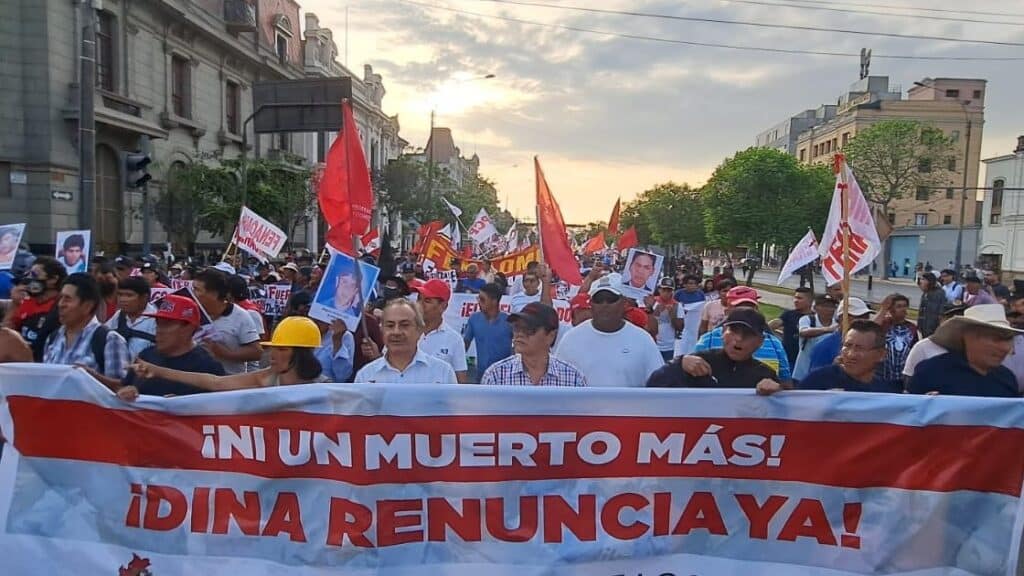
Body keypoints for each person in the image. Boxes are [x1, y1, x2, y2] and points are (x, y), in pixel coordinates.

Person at [123, 316, 326, 397]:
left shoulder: (325, 389)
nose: (272, 355)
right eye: (273, 348)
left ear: (301, 354)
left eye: (282, 350)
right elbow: (215, 383)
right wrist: (159, 372)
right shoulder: (266, 377)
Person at [101, 295, 225, 397]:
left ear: (188, 328)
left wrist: (184, 407)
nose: (159, 330)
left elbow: (218, 409)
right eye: (158, 324)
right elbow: (125, 386)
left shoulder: (208, 366)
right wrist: (128, 391)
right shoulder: (146, 355)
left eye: (167, 324)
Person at [555, 273, 664, 388]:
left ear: (624, 303)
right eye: (598, 300)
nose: (604, 304)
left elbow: (659, 385)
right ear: (591, 304)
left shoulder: (643, 340)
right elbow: (557, 384)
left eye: (611, 299)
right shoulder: (571, 339)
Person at [648, 308, 784, 395]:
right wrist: (678, 364)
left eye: (747, 334)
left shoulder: (764, 374)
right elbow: (652, 386)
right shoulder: (698, 362)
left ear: (760, 341)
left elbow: (786, 416)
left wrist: (777, 393)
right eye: (734, 331)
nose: (738, 339)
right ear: (723, 332)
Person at [908, 304, 1022, 397]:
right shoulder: (931, 371)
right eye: (997, 339)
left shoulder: (1007, 378)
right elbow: (907, 417)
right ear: (968, 337)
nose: (1006, 348)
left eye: (1008, 339)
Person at [695, 286, 792, 381]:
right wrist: (681, 361)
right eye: (739, 307)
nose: (746, 311)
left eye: (750, 307)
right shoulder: (707, 340)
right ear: (727, 311)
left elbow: (785, 383)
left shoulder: (774, 343)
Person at [43, 273, 129, 380]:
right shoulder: (53, 338)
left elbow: (122, 389)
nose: (61, 304)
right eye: (60, 298)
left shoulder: (109, 340)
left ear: (88, 306)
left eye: (68, 299)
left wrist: (91, 377)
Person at [481, 302, 586, 387]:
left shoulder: (574, 379)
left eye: (529, 329)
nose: (520, 334)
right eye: (516, 327)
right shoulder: (495, 376)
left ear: (551, 335)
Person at [355, 299, 458, 384]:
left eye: (404, 325)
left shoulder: (443, 373)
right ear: (382, 330)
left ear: (419, 330)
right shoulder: (365, 376)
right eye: (390, 325)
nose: (396, 332)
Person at [192, 269, 262, 374]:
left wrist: (226, 354)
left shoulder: (240, 316)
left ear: (214, 294)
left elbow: (256, 352)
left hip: (228, 383)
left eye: (197, 290)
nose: (193, 293)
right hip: (194, 380)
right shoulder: (190, 312)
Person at [799, 321, 898, 393]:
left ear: (881, 355)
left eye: (860, 348)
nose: (851, 354)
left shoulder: (885, 394)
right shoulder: (817, 381)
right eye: (847, 346)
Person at [4, 256, 66, 360]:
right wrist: (15, 304)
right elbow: (7, 334)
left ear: (53, 279)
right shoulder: (28, 301)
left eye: (34, 275)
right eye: (28, 274)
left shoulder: (61, 305)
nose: (29, 279)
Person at [414, 278, 469, 383]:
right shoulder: (405, 332)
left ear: (443, 306)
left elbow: (461, 382)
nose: (420, 305)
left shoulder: (455, 340)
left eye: (427, 301)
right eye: (419, 299)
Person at [902, 303, 966, 383]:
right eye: (951, 318)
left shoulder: (975, 347)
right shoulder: (922, 347)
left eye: (962, 318)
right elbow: (908, 380)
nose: (957, 323)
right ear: (941, 320)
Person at [807, 297, 874, 372]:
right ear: (841, 318)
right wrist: (833, 369)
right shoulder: (823, 347)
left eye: (866, 317)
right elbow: (814, 380)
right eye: (859, 317)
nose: (864, 321)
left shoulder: (870, 344)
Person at [463, 282, 513, 381]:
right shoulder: (474, 319)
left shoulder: (509, 321)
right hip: (480, 377)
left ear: (494, 301)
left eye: (482, 299)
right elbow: (465, 344)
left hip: (504, 377)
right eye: (478, 298)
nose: (478, 302)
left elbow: (518, 348)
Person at [105, 277, 156, 360]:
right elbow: (103, 333)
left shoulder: (155, 320)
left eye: (129, 295)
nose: (122, 299)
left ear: (144, 298)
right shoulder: (119, 315)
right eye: (120, 294)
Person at [874, 294, 919, 388]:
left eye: (905, 306)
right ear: (891, 309)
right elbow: (871, 328)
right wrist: (883, 309)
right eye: (898, 306)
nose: (903, 309)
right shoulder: (884, 324)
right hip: (883, 375)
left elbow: (915, 350)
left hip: (903, 376)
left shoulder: (912, 328)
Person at [791, 295, 838, 382]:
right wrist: (828, 329)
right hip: (803, 372)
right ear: (815, 308)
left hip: (825, 374)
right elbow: (803, 332)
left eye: (832, 306)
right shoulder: (807, 320)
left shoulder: (837, 324)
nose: (829, 309)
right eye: (825, 306)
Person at [769, 287, 813, 368]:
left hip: (807, 360)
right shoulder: (789, 314)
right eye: (795, 297)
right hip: (788, 359)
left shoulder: (814, 317)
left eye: (800, 298)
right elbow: (772, 325)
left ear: (809, 301)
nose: (796, 300)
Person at [672, 274, 705, 359]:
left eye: (694, 284)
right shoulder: (678, 294)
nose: (692, 286)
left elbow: (702, 307)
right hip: (682, 322)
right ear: (685, 284)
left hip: (694, 324)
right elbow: (674, 306)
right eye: (690, 283)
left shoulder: (700, 294)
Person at [649, 278, 679, 361]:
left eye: (669, 290)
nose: (666, 293)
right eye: (664, 290)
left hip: (668, 346)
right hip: (652, 343)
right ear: (659, 290)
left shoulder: (676, 305)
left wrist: (671, 314)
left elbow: (679, 328)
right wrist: (654, 311)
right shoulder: (651, 302)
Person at [916, 272, 946, 337]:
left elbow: (941, 310)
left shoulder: (939, 293)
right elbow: (921, 310)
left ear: (930, 281)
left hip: (933, 326)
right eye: (921, 279)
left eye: (923, 279)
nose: (921, 281)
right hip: (924, 325)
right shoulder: (925, 293)